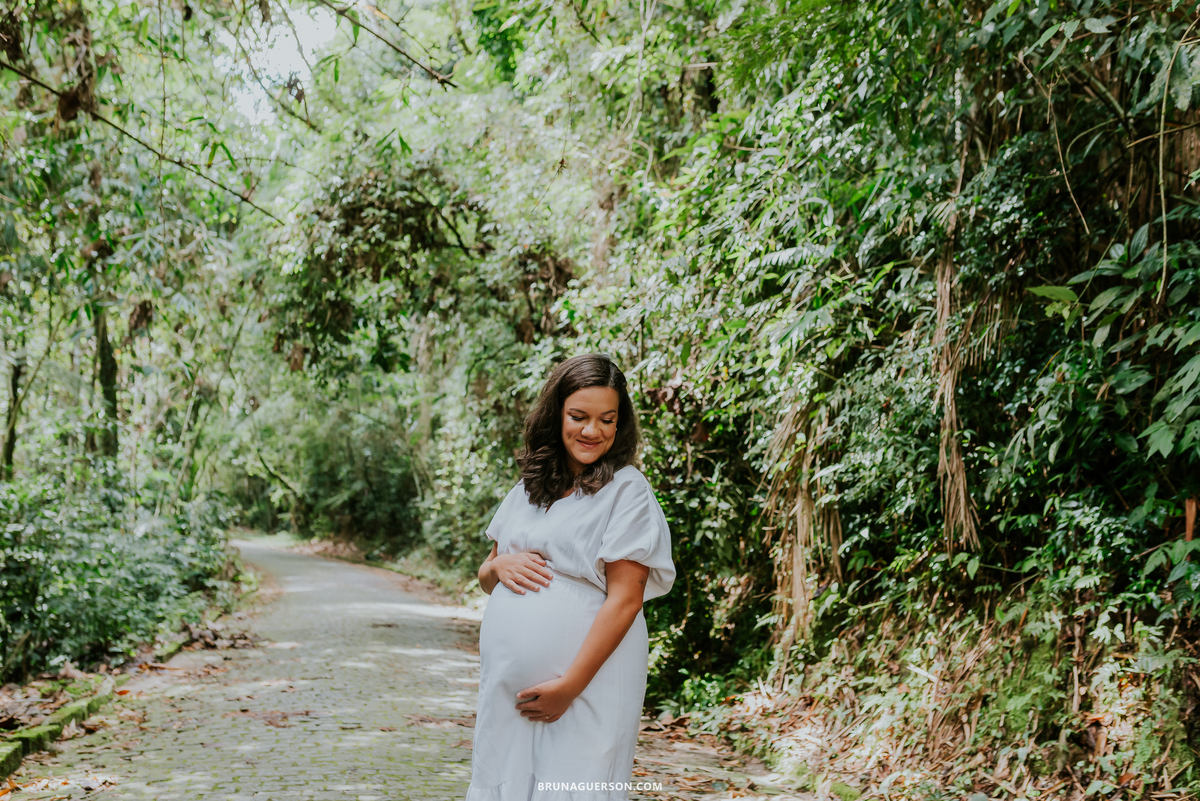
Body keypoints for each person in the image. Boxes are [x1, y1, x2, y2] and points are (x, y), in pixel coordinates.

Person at [465, 353, 676, 801]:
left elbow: (626, 599)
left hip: (587, 684)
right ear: (556, 414)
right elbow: (487, 574)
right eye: (578, 416)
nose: (592, 431)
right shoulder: (528, 488)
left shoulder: (627, 490)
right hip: (508, 691)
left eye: (606, 419)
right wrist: (497, 567)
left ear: (620, 423)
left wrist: (569, 687)